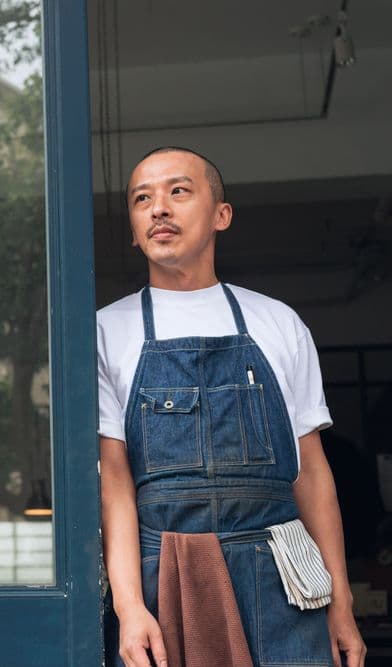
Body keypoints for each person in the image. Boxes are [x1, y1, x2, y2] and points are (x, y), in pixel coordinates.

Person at [98, 147, 366, 666]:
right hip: (164, 571)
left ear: (221, 214)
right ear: (133, 230)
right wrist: (130, 606)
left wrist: (342, 603)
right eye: (141, 199)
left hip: (283, 572)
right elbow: (115, 481)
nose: (159, 209)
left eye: (178, 191)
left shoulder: (279, 322)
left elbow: (311, 473)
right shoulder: (106, 331)